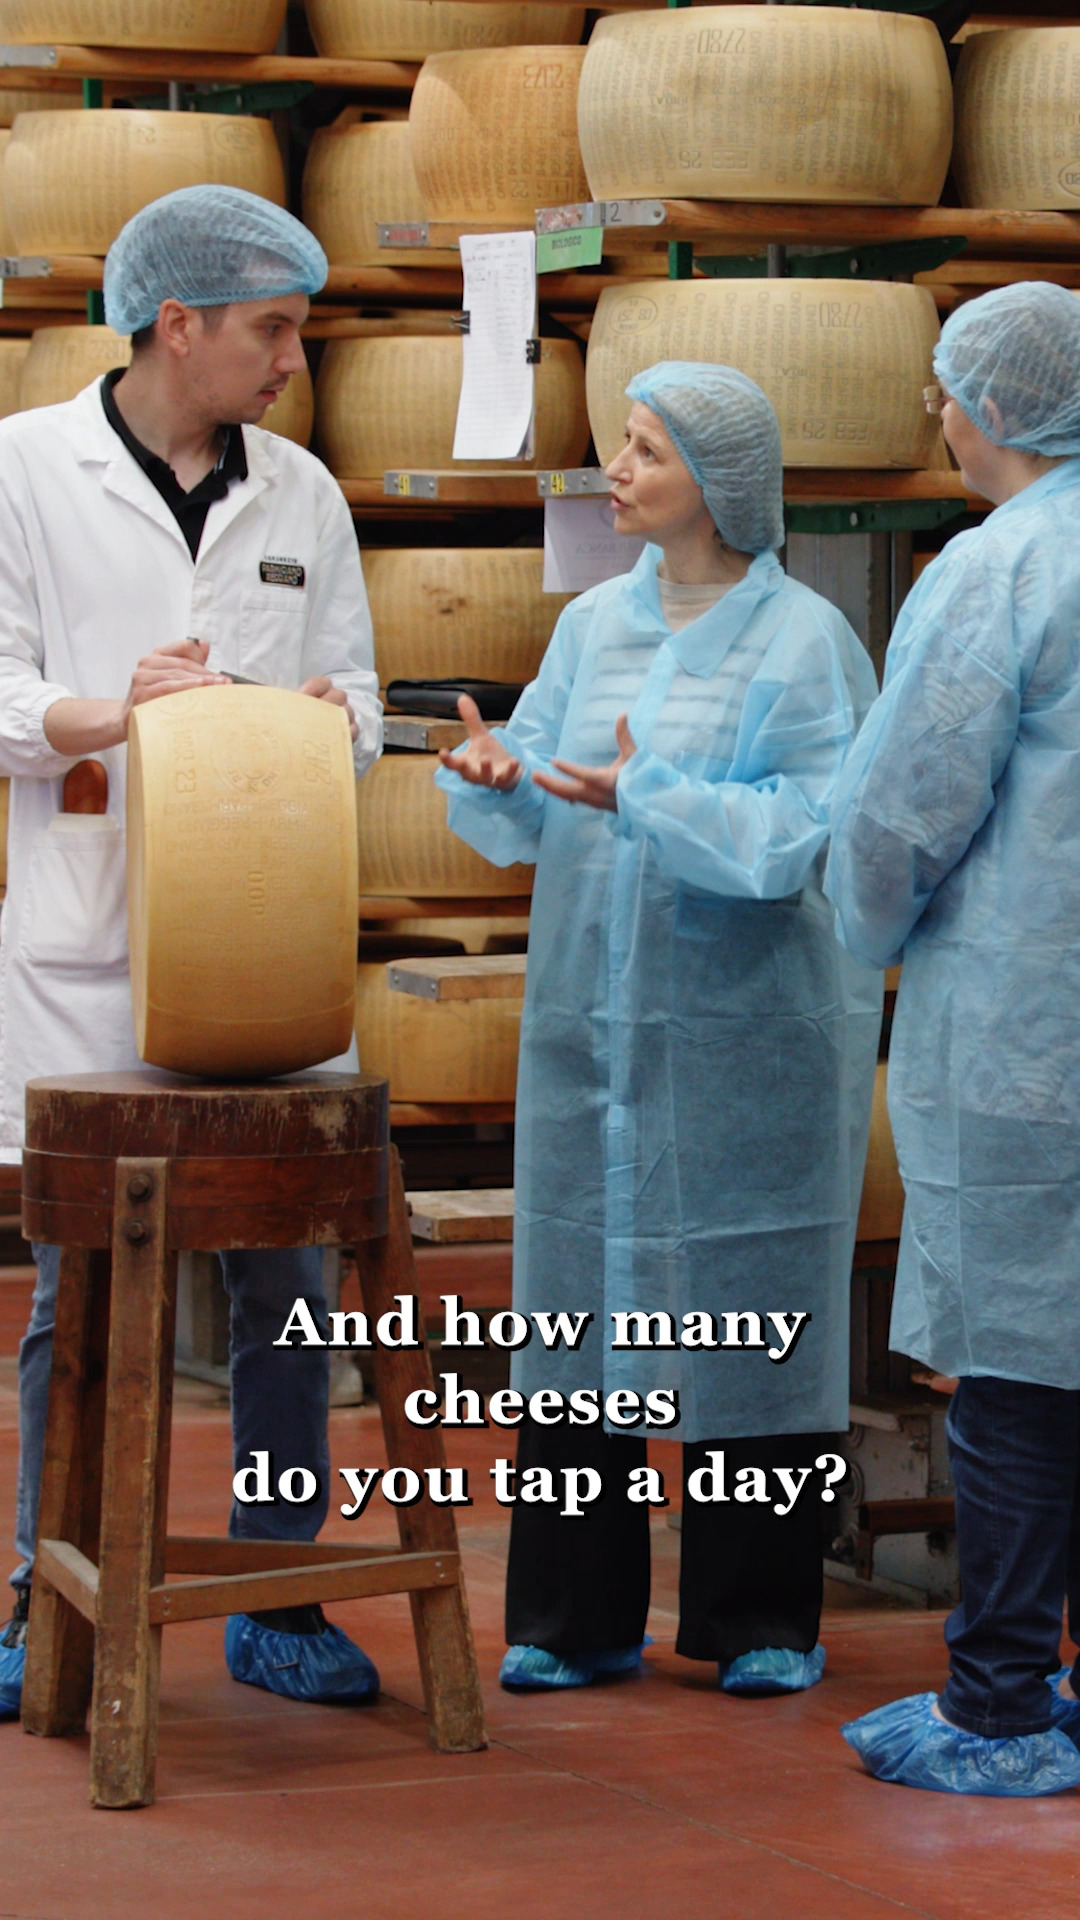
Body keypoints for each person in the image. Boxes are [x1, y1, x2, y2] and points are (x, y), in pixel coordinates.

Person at [436, 361, 881, 1696]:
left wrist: (655, 798)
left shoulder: (806, 640)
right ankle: (574, 1618)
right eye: (620, 445)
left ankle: (760, 1618)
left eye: (645, 451)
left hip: (748, 1034)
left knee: (755, 1305)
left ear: (720, 484)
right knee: (577, 1306)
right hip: (594, 1025)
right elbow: (542, 784)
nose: (615, 473)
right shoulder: (592, 627)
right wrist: (498, 778)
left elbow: (809, 833)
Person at [0, 186, 383, 1720]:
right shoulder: (26, 468)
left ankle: (279, 1591)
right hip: (88, 948)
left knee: (286, 1286)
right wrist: (117, 711)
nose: (293, 361)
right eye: (273, 330)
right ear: (179, 324)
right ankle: (41, 1593)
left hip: (265, 938)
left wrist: (320, 727)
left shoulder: (303, 492)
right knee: (75, 1296)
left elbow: (359, 692)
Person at [826, 282, 1080, 1798]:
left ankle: (999, 1701)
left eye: (946, 392)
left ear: (993, 407)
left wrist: (864, 924)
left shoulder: (1004, 566)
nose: (939, 415)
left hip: (1028, 1029)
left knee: (1019, 1358)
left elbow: (904, 804)